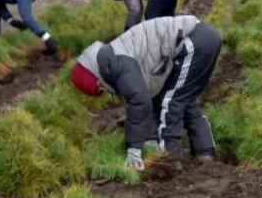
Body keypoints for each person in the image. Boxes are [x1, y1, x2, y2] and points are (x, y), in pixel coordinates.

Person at [70, 15, 221, 171]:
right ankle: (204, 152)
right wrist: (149, 139)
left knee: (169, 102)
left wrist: (134, 148)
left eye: (99, 87)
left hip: (194, 41)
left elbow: (140, 101)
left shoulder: (116, 62)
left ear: (96, 76)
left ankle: (169, 159)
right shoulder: (111, 58)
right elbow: (147, 98)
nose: (104, 89)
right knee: (182, 99)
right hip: (201, 37)